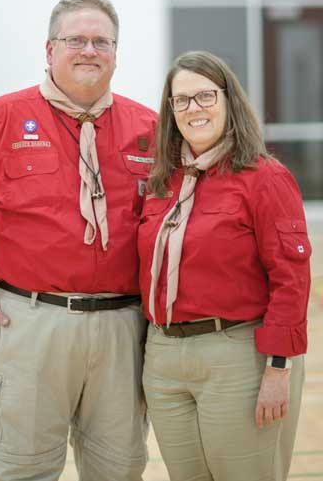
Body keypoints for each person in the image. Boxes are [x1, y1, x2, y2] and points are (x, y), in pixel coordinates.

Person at [0, 0, 157, 481]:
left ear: (117, 52)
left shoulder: (149, 129)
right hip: (29, 326)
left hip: (123, 330)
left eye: (102, 41)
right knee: (19, 472)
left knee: (119, 471)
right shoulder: (0, 120)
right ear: (49, 49)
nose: (89, 50)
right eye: (76, 39)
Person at [138, 51, 311, 481]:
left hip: (237, 355)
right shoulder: (163, 184)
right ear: (171, 110)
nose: (194, 108)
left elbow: (291, 279)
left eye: (205, 96)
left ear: (228, 100)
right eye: (182, 100)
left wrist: (277, 367)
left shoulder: (264, 177)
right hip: (164, 361)